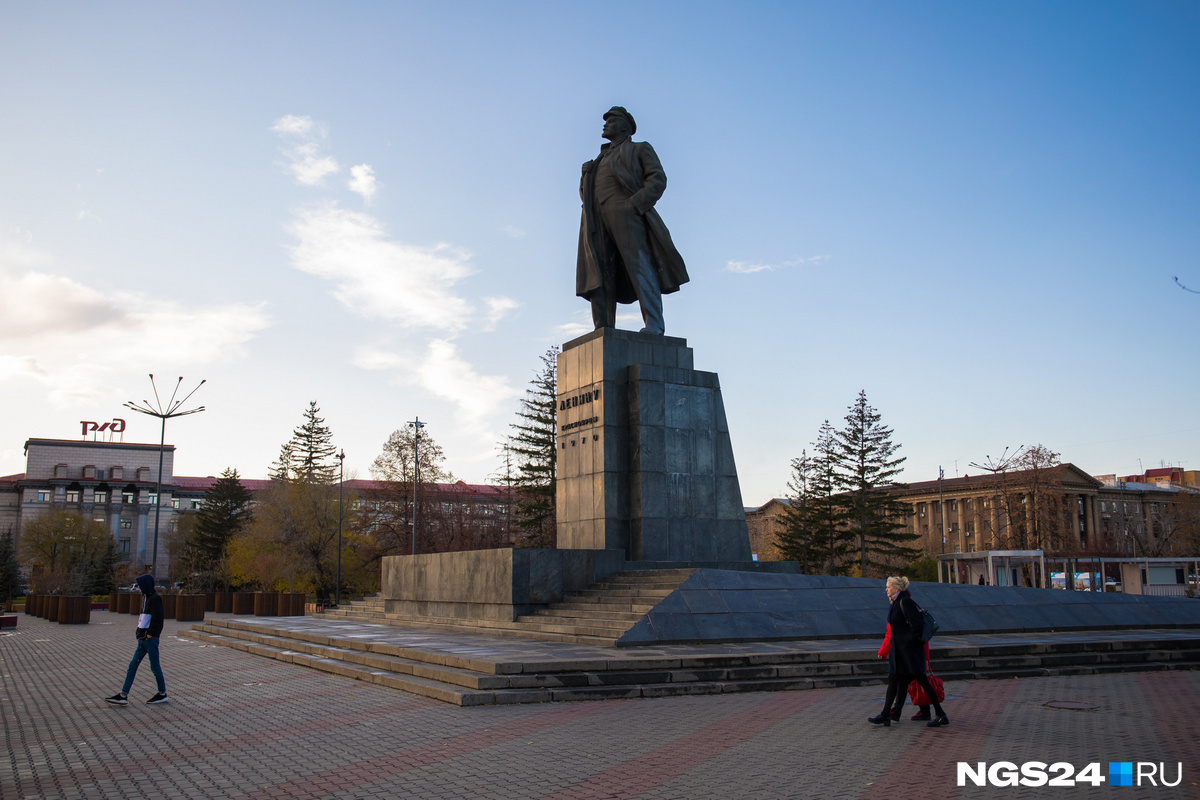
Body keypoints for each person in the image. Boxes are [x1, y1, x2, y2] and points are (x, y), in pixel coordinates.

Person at [577, 106, 690, 336]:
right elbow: (586, 196)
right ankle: (602, 327)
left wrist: (635, 204)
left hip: (626, 211)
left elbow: (657, 178)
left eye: (611, 120)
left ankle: (654, 324)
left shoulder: (639, 149)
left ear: (625, 126)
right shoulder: (598, 160)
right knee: (600, 271)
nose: (605, 123)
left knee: (639, 264)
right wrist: (585, 177)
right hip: (596, 219)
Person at [868, 576, 948, 728]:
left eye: (888, 587)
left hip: (908, 653)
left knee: (922, 681)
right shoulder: (895, 603)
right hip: (899, 653)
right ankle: (886, 714)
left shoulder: (905, 602)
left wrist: (908, 643)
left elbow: (916, 626)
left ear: (897, 589)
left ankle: (940, 714)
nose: (886, 589)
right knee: (893, 681)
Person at [105, 573, 168, 705]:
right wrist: (140, 633)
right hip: (142, 639)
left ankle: (162, 693)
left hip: (150, 640)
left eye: (140, 585)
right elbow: (143, 617)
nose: (139, 587)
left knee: (155, 666)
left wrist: (151, 634)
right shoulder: (145, 597)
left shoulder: (155, 598)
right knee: (132, 665)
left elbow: (158, 619)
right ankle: (123, 694)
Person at [878, 623, 933, 720]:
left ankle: (895, 711)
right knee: (915, 682)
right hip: (914, 656)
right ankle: (925, 710)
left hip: (907, 656)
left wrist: (883, 651)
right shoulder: (913, 610)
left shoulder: (900, 611)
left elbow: (891, 634)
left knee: (903, 682)